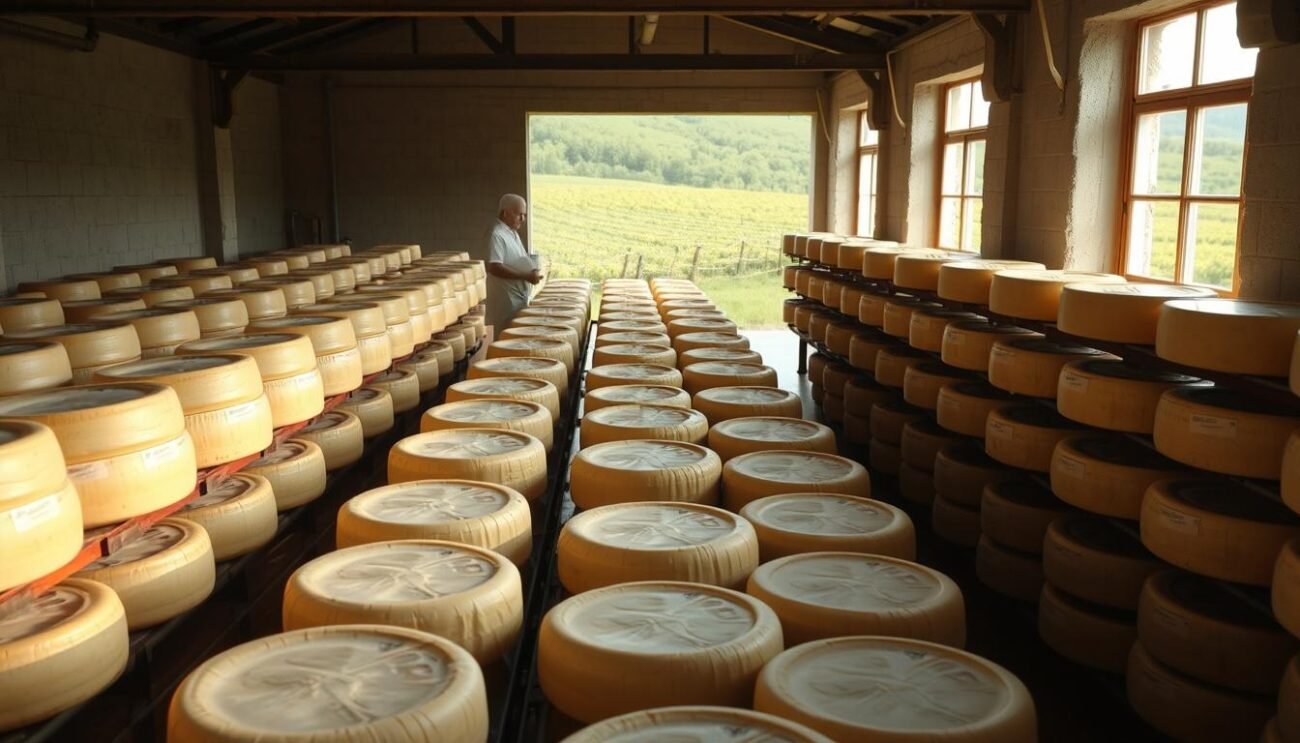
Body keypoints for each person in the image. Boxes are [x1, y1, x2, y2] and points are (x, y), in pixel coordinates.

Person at [484, 193, 543, 333]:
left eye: (524, 215)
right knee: (506, 339)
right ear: (505, 213)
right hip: (505, 301)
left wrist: (531, 268)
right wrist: (526, 276)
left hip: (517, 298)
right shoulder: (496, 234)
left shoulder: (511, 232)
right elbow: (494, 267)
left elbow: (515, 258)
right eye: (519, 214)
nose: (523, 219)